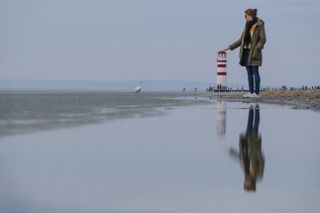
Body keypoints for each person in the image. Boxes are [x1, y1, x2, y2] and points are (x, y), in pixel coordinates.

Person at [222, 8, 266, 98]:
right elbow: (241, 40)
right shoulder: (247, 25)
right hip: (245, 51)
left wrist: (257, 48)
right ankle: (251, 92)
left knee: (255, 72)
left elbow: (263, 39)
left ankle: (256, 93)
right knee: (249, 73)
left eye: (245, 16)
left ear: (250, 15)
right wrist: (230, 47)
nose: (245, 17)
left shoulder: (259, 25)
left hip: (254, 52)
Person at [229, 104, 265, 192]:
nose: (246, 181)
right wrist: (257, 152)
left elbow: (243, 159)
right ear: (251, 183)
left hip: (246, 144)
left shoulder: (246, 172)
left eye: (245, 183)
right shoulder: (258, 174)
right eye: (247, 183)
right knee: (255, 125)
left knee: (249, 123)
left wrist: (235, 153)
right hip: (254, 145)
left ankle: (251, 107)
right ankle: (256, 108)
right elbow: (262, 161)